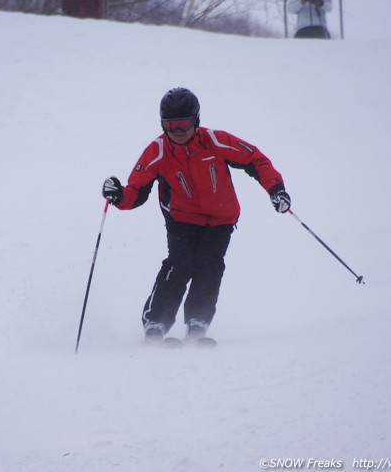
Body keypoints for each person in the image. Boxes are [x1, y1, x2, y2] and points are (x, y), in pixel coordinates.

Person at [101, 87, 291, 344]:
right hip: (181, 219)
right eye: (171, 125)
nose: (178, 132)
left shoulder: (216, 141)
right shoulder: (157, 152)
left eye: (184, 125)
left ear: (196, 121)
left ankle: (197, 321)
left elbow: (256, 160)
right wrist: (117, 196)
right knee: (179, 264)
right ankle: (155, 322)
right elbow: (136, 192)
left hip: (221, 219)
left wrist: (275, 190)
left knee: (209, 265)